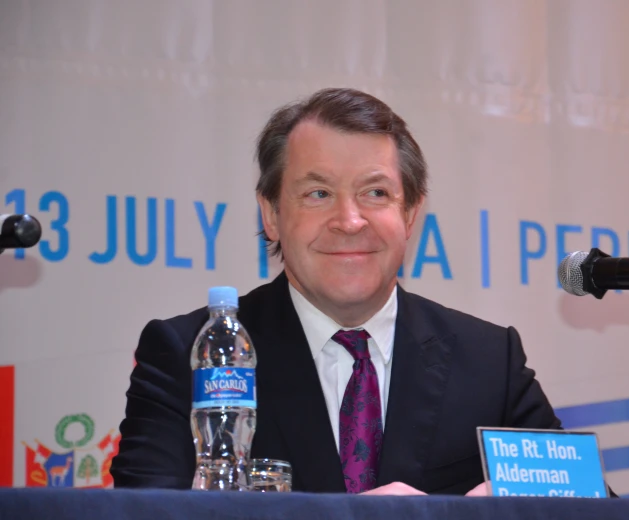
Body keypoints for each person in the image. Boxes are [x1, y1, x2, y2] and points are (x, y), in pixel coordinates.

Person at [110, 87, 562, 496]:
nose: (349, 221)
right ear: (270, 214)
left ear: (409, 214)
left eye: (376, 192)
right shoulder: (188, 355)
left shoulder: (489, 360)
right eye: (319, 193)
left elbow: (590, 503)